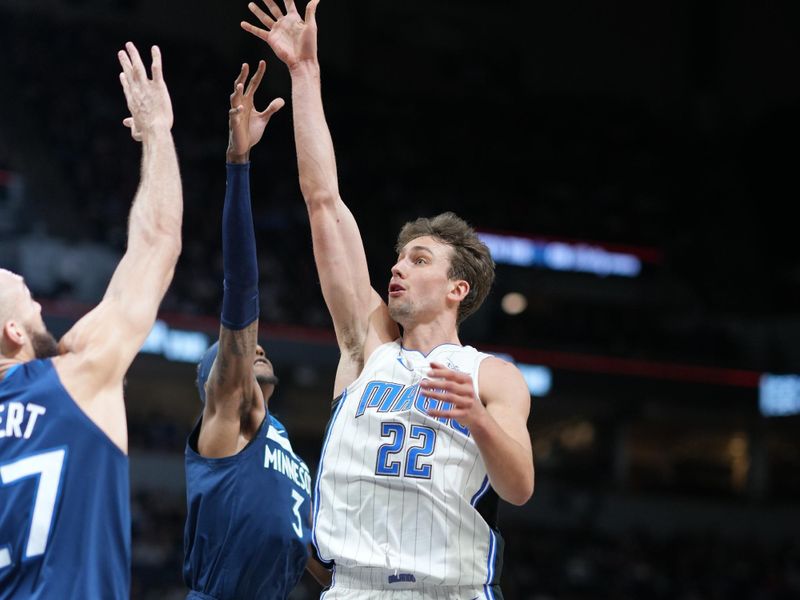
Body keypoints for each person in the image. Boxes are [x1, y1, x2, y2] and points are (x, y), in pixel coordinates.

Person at [242, 2, 535, 597]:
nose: (397, 268)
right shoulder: (367, 342)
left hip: (448, 590)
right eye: (398, 258)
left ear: (459, 289)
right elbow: (323, 198)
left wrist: (476, 417)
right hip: (352, 588)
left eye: (419, 260)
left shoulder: (492, 377)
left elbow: (519, 486)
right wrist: (304, 74)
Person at [0, 43, 182, 598]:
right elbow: (156, 245)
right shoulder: (75, 378)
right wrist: (157, 132)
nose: (37, 302)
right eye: (28, 300)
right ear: (12, 333)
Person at [183, 60, 330, 600]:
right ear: (215, 381)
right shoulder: (224, 416)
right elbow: (241, 287)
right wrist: (238, 162)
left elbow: (311, 555)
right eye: (242, 354)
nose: (257, 346)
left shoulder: (289, 449)